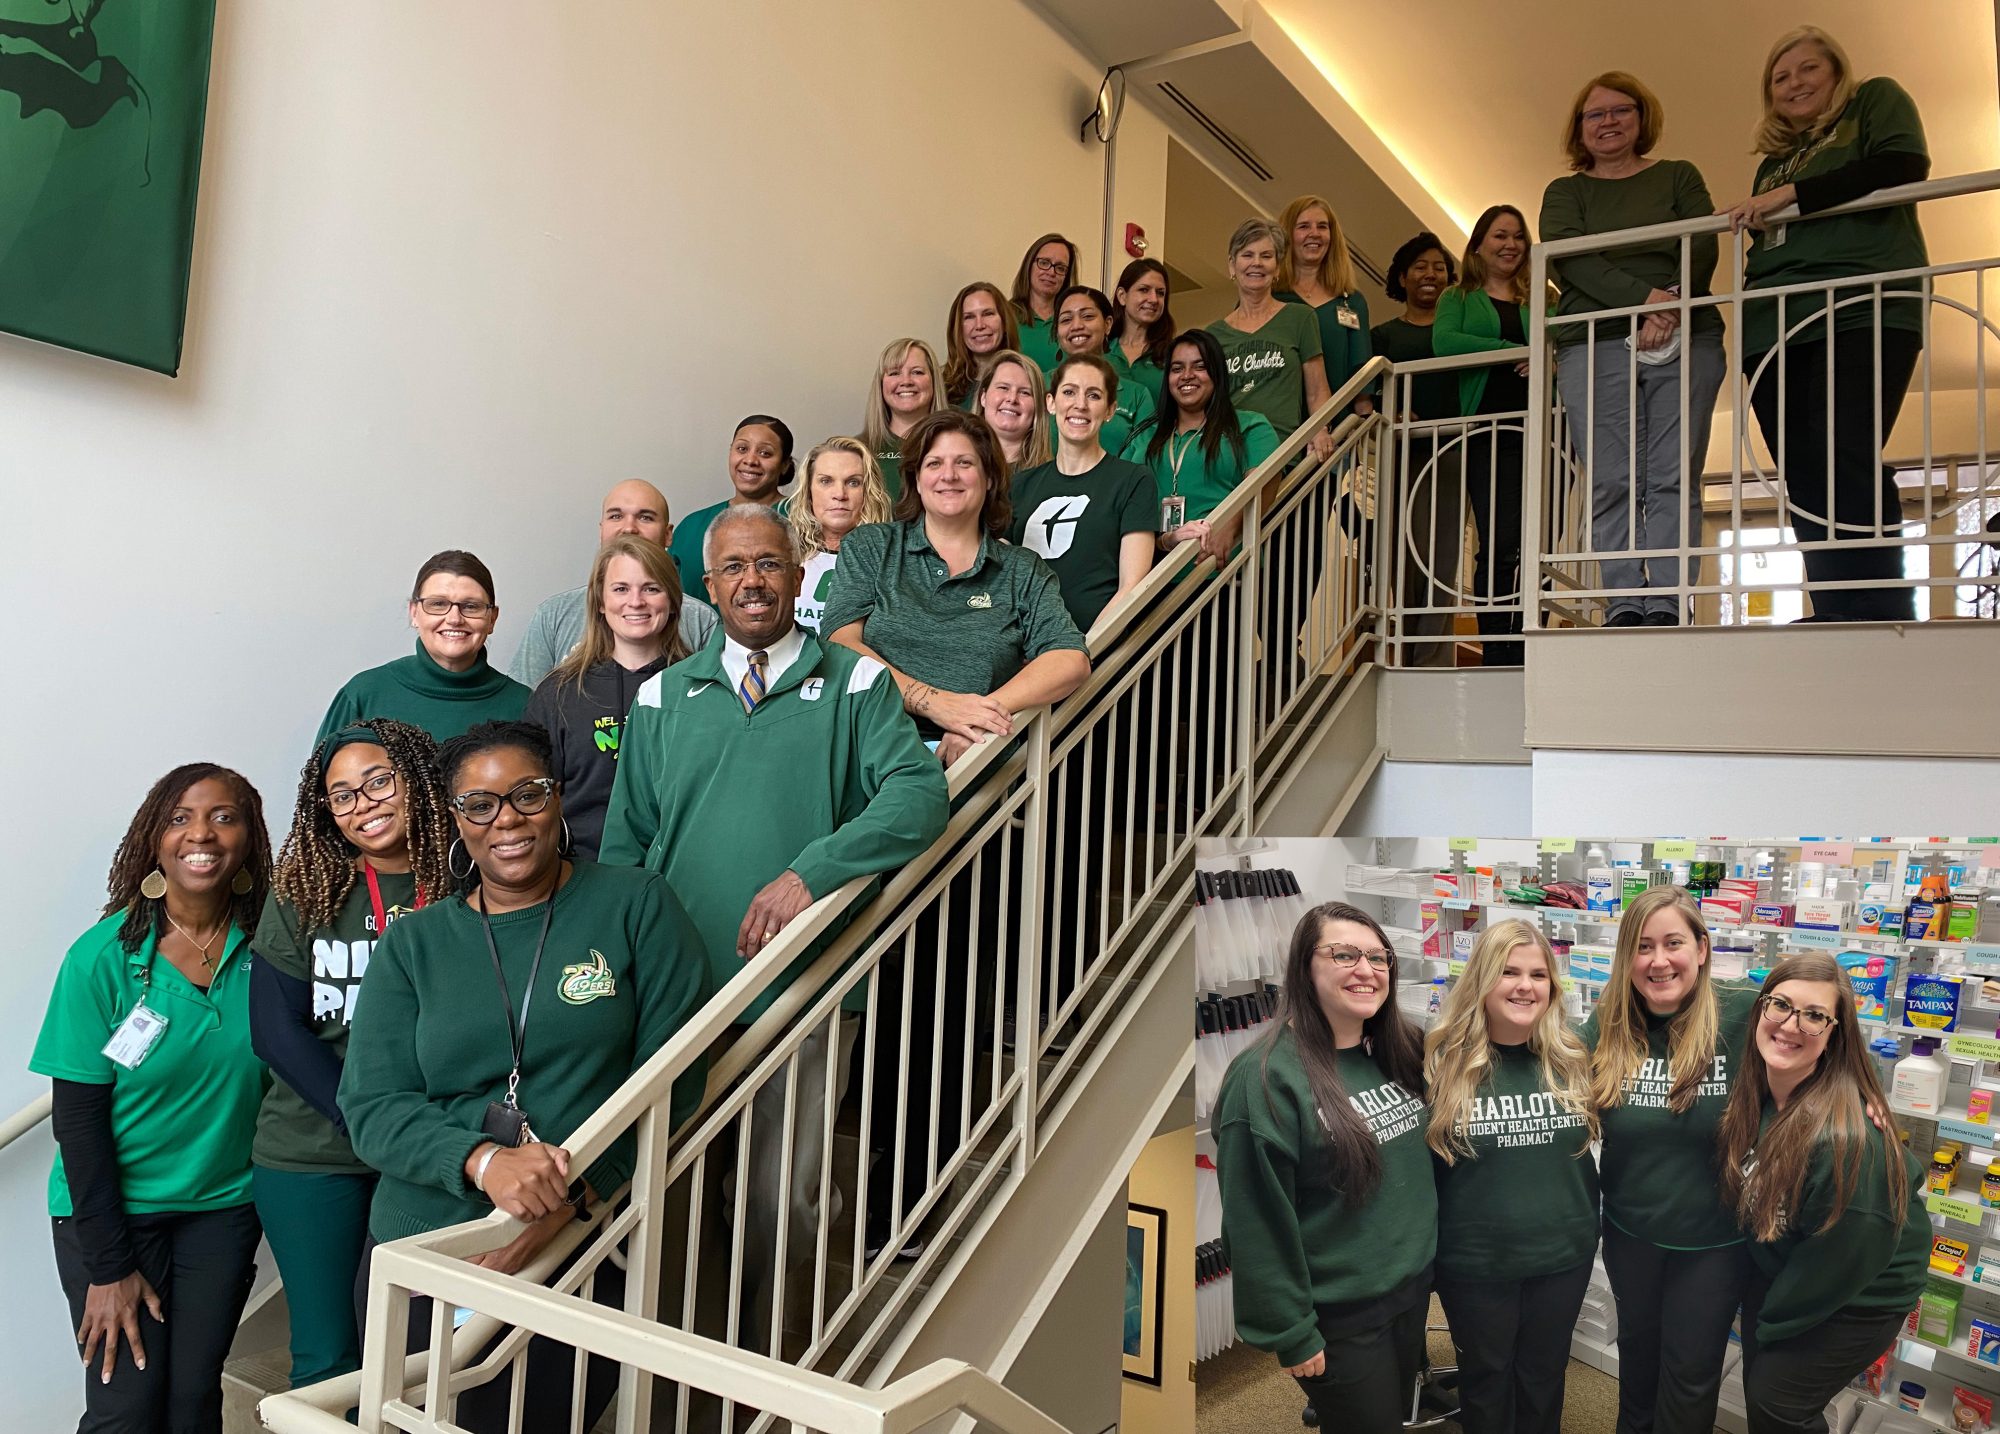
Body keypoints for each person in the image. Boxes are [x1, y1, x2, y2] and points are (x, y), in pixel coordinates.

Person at [597, 501, 949, 1341]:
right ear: (708, 588)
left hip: (803, 991)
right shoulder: (661, 696)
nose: (752, 583)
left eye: (768, 565)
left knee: (780, 1196)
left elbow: (918, 794)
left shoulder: (857, 683)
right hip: (678, 994)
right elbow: (626, 844)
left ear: (798, 575)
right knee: (666, 1187)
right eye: (733, 569)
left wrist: (810, 872)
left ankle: (756, 1362)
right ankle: (670, 1354)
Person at [339, 720, 709, 1434]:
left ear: (559, 798)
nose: (505, 819)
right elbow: (372, 1106)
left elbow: (677, 1075)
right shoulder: (414, 942)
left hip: (574, 1243)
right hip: (424, 1246)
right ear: (455, 820)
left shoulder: (635, 905)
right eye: (479, 804)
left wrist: (573, 1200)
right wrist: (483, 1162)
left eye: (527, 795)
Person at [32, 764, 274, 1432]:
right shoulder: (102, 958)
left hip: (221, 1210)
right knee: (127, 1408)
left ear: (250, 838)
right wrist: (108, 1268)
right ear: (152, 840)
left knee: (194, 1400)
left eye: (225, 817)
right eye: (180, 818)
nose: (202, 834)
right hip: (112, 1219)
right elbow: (76, 1123)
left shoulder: (273, 949)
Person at [250, 719, 452, 1391]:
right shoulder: (307, 889)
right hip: (313, 1155)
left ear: (417, 782)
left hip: (430, 1154)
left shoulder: (469, 882)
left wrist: (413, 1135)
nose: (363, 804)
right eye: (342, 796)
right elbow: (276, 1033)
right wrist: (364, 1120)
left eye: (377, 782)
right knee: (325, 1360)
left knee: (421, 1359)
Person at [1722, 26, 1931, 622]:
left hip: (1861, 304)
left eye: (1808, 69)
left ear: (1837, 72)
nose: (1794, 84)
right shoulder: (1771, 164)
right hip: (1773, 327)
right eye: (1781, 78)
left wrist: (1792, 193)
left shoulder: (1874, 102)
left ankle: (1883, 605)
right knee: (1804, 472)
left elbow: (1905, 163)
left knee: (1846, 449)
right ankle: (1836, 603)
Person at [1212, 902, 1434, 1434]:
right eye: (1344, 955)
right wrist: (1291, 1331)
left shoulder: (1396, 1052)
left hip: (1407, 1293)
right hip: (1341, 1315)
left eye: (1378, 958)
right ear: (1303, 967)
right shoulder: (1265, 1080)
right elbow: (1256, 1220)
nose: (1366, 970)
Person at [1716, 954, 1930, 1434]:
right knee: (1765, 1389)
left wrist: (1770, 1322)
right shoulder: (1765, 1087)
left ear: (1835, 1034)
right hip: (1796, 1265)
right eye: (1780, 1006)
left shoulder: (1846, 1143)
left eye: (1814, 1016)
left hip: (1858, 1294)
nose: (1790, 1024)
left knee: (1776, 1402)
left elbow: (1841, 1261)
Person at [1542, 71, 1726, 628]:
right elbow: (1571, 259)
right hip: (1592, 339)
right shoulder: (1565, 191)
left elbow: (1702, 243)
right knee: (1609, 475)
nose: (1608, 122)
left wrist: (1667, 309)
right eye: (1594, 114)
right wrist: (1648, 302)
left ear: (1642, 118)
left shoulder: (1678, 176)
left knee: (1673, 472)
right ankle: (1624, 597)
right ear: (1579, 127)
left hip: (1685, 331)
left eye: (1621, 110)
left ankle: (1668, 597)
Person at [1582, 885, 1758, 1434]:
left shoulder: (1742, 1013)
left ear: (1702, 949)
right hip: (1631, 1234)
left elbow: (1826, 1027)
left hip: (1712, 1242)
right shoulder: (1609, 1022)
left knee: (1689, 1375)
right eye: (1642, 946)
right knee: (1637, 1360)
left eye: (1673, 943)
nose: (1658, 961)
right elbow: (1544, 1065)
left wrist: (1865, 1096)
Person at [822, 408, 1090, 764]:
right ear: (916, 479)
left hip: (967, 756)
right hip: (867, 747)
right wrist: (936, 704)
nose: (948, 475)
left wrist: (976, 718)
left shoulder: (1022, 570)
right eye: (934, 464)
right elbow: (841, 643)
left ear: (990, 477)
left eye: (964, 463)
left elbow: (1070, 659)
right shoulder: (872, 546)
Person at [1425, 919, 1598, 1434]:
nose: (1526, 985)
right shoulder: (1441, 1065)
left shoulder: (1571, 1059)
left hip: (1563, 1256)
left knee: (1544, 1378)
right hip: (1476, 1264)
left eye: (1538, 974)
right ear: (1482, 979)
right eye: (1509, 972)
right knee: (1488, 1379)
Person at [522, 536, 692, 859]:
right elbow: (533, 804)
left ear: (672, 599)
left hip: (679, 876)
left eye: (651, 588)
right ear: (600, 601)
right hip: (581, 878)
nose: (636, 601)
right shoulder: (558, 694)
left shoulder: (702, 687)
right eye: (621, 589)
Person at [1435, 205, 1538, 665]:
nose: (1510, 244)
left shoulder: (1543, 298)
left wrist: (1543, 357)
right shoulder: (1458, 297)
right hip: (1488, 432)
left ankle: (1532, 640)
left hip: (1543, 431)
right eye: (1499, 235)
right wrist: (1512, 350)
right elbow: (1446, 344)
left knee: (1540, 542)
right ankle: (1499, 648)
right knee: (1498, 541)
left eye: (1518, 236)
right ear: (1478, 244)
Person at [508, 480, 718, 685]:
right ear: (602, 529)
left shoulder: (701, 619)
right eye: (616, 516)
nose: (628, 528)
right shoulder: (553, 615)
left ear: (667, 534)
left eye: (645, 517)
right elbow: (525, 707)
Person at [1008, 353, 1158, 634]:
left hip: (1096, 655)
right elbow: (1000, 578)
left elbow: (1132, 586)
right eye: (1069, 392)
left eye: (1094, 395)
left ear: (1111, 409)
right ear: (1051, 403)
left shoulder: (1133, 481)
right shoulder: (1021, 485)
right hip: (1022, 651)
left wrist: (1082, 652)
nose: (1080, 405)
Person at [316, 550, 531, 745]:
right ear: (414, 613)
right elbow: (319, 786)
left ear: (492, 618)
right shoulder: (364, 694)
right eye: (438, 604)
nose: (454, 619)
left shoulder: (524, 704)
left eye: (471, 606)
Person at [1372, 233, 1466, 668]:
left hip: (1453, 450)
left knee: (1442, 558)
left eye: (1439, 266)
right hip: (1402, 453)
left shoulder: (1460, 331)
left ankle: (1432, 658)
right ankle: (1406, 652)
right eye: (1420, 266)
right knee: (1402, 555)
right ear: (1402, 276)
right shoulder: (1383, 336)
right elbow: (1366, 396)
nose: (1431, 274)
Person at [1124, 329, 1279, 563]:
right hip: (1153, 576)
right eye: (1177, 369)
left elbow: (1262, 485)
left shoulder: (1250, 426)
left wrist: (1229, 529)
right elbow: (1124, 504)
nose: (1187, 375)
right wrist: (1165, 540)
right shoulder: (1145, 436)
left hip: (1223, 573)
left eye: (1199, 366)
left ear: (1217, 373)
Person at [1206, 218, 1335, 460]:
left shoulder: (1301, 318)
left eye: (1266, 256)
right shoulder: (1213, 335)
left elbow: (1317, 391)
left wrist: (1320, 428)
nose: (1256, 263)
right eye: (1247, 255)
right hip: (1226, 453)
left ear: (1277, 268)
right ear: (1232, 265)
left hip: (1281, 451)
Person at [1274, 194, 1373, 414]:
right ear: (1286, 236)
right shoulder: (1269, 298)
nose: (1314, 234)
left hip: (1337, 425)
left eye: (1322, 226)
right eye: (1303, 226)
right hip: (1277, 425)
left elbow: (1361, 368)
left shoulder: (1351, 300)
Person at [667, 416, 796, 583]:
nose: (750, 460)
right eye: (742, 449)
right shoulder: (690, 528)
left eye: (765, 453)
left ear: (784, 464)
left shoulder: (804, 519)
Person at [788, 436, 894, 633]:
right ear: (808, 491)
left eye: (853, 482)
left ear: (869, 492)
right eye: (826, 481)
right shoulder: (784, 554)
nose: (840, 494)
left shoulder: (892, 560)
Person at [1047, 284, 1156, 458]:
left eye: (1087, 316)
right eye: (1066, 320)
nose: (1076, 326)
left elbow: (1140, 460)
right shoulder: (1036, 386)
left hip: (1116, 485)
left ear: (1107, 324)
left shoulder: (1138, 396)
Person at [861, 338, 946, 499]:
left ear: (934, 381)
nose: (906, 381)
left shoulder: (958, 445)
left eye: (917, 372)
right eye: (894, 373)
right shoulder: (860, 450)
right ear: (881, 385)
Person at [1005, 232, 1078, 374]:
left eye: (1060, 268)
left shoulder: (1074, 321)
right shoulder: (1005, 315)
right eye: (1044, 263)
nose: (1051, 272)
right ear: (1029, 265)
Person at [941, 282, 1020, 409]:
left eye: (988, 314)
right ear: (957, 329)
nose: (979, 325)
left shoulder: (1027, 380)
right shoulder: (941, 386)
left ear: (1004, 322)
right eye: (969, 317)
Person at [1109, 258, 1174, 407]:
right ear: (1122, 296)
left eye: (1160, 293)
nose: (1153, 299)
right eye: (1144, 290)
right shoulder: (1102, 350)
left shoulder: (1172, 354)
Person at [975, 350, 1053, 473]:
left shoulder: (1048, 476)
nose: (1012, 399)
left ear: (1038, 406)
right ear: (983, 397)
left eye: (1024, 392)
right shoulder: (958, 467)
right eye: (1003, 388)